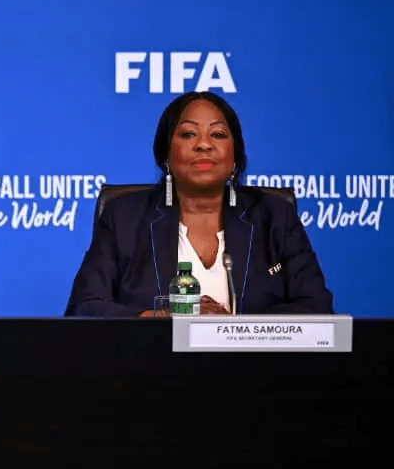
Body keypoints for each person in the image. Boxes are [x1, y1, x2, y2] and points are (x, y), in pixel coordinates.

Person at [64, 91, 334, 317]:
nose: (204, 144)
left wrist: (233, 329)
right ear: (166, 154)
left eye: (218, 134)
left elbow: (317, 308)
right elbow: (84, 309)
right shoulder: (124, 218)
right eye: (188, 134)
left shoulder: (274, 216)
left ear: (235, 156)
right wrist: (164, 317)